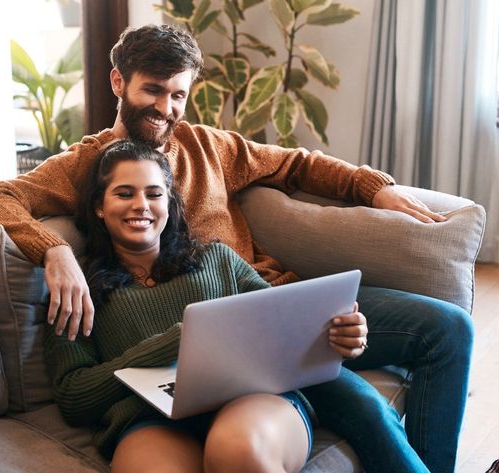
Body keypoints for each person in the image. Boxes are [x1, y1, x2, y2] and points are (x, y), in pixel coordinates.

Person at [0, 24, 473, 473]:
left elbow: (296, 164)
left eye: (178, 95)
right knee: (359, 403)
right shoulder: (85, 167)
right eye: (153, 90)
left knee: (444, 330)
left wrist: (372, 187)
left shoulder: (209, 146)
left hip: (274, 310)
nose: (166, 109)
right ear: (119, 83)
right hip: (196, 366)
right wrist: (53, 251)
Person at [45, 140, 428, 472]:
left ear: (170, 201)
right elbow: (74, 398)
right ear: (99, 206)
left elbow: (287, 331)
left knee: (239, 452)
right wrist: (176, 342)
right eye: (125, 193)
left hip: (250, 400)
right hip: (149, 420)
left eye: (154, 193)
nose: (141, 206)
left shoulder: (217, 259)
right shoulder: (78, 290)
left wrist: (344, 338)